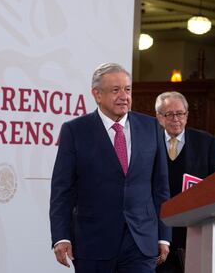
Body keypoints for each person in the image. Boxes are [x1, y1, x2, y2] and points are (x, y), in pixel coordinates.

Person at [49, 63, 171, 273]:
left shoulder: (151, 127)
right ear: (97, 94)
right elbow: (62, 190)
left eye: (127, 89)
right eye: (116, 90)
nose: (124, 96)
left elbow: (160, 187)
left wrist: (164, 236)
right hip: (93, 242)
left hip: (140, 243)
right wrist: (61, 236)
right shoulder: (75, 131)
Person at [154, 91, 215, 273]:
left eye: (180, 113)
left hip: (193, 228)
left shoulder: (205, 142)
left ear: (187, 115)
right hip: (157, 228)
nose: (175, 119)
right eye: (169, 114)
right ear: (159, 117)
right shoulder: (149, 141)